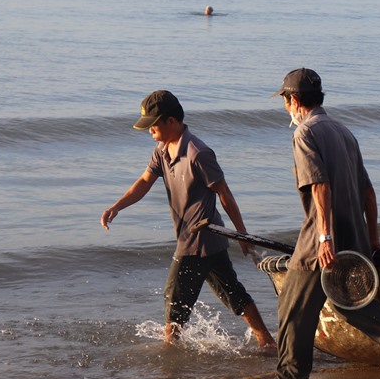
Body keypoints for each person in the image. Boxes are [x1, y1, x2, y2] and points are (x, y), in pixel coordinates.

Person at [252, 68, 380, 379]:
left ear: (295, 100)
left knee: (291, 302)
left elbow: (320, 186)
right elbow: (369, 192)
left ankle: (291, 375)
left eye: (285, 100)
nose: (285, 107)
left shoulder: (305, 133)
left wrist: (324, 237)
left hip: (321, 235)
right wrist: (372, 238)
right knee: (350, 304)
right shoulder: (344, 132)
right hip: (354, 236)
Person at [101, 89, 276, 352]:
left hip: (198, 238)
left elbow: (225, 195)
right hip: (207, 242)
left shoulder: (198, 153)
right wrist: (117, 206)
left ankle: (170, 353)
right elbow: (144, 182)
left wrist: (242, 235)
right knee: (232, 293)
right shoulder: (162, 150)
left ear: (171, 121)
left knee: (174, 299)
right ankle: (267, 341)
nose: (150, 131)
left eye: (153, 125)